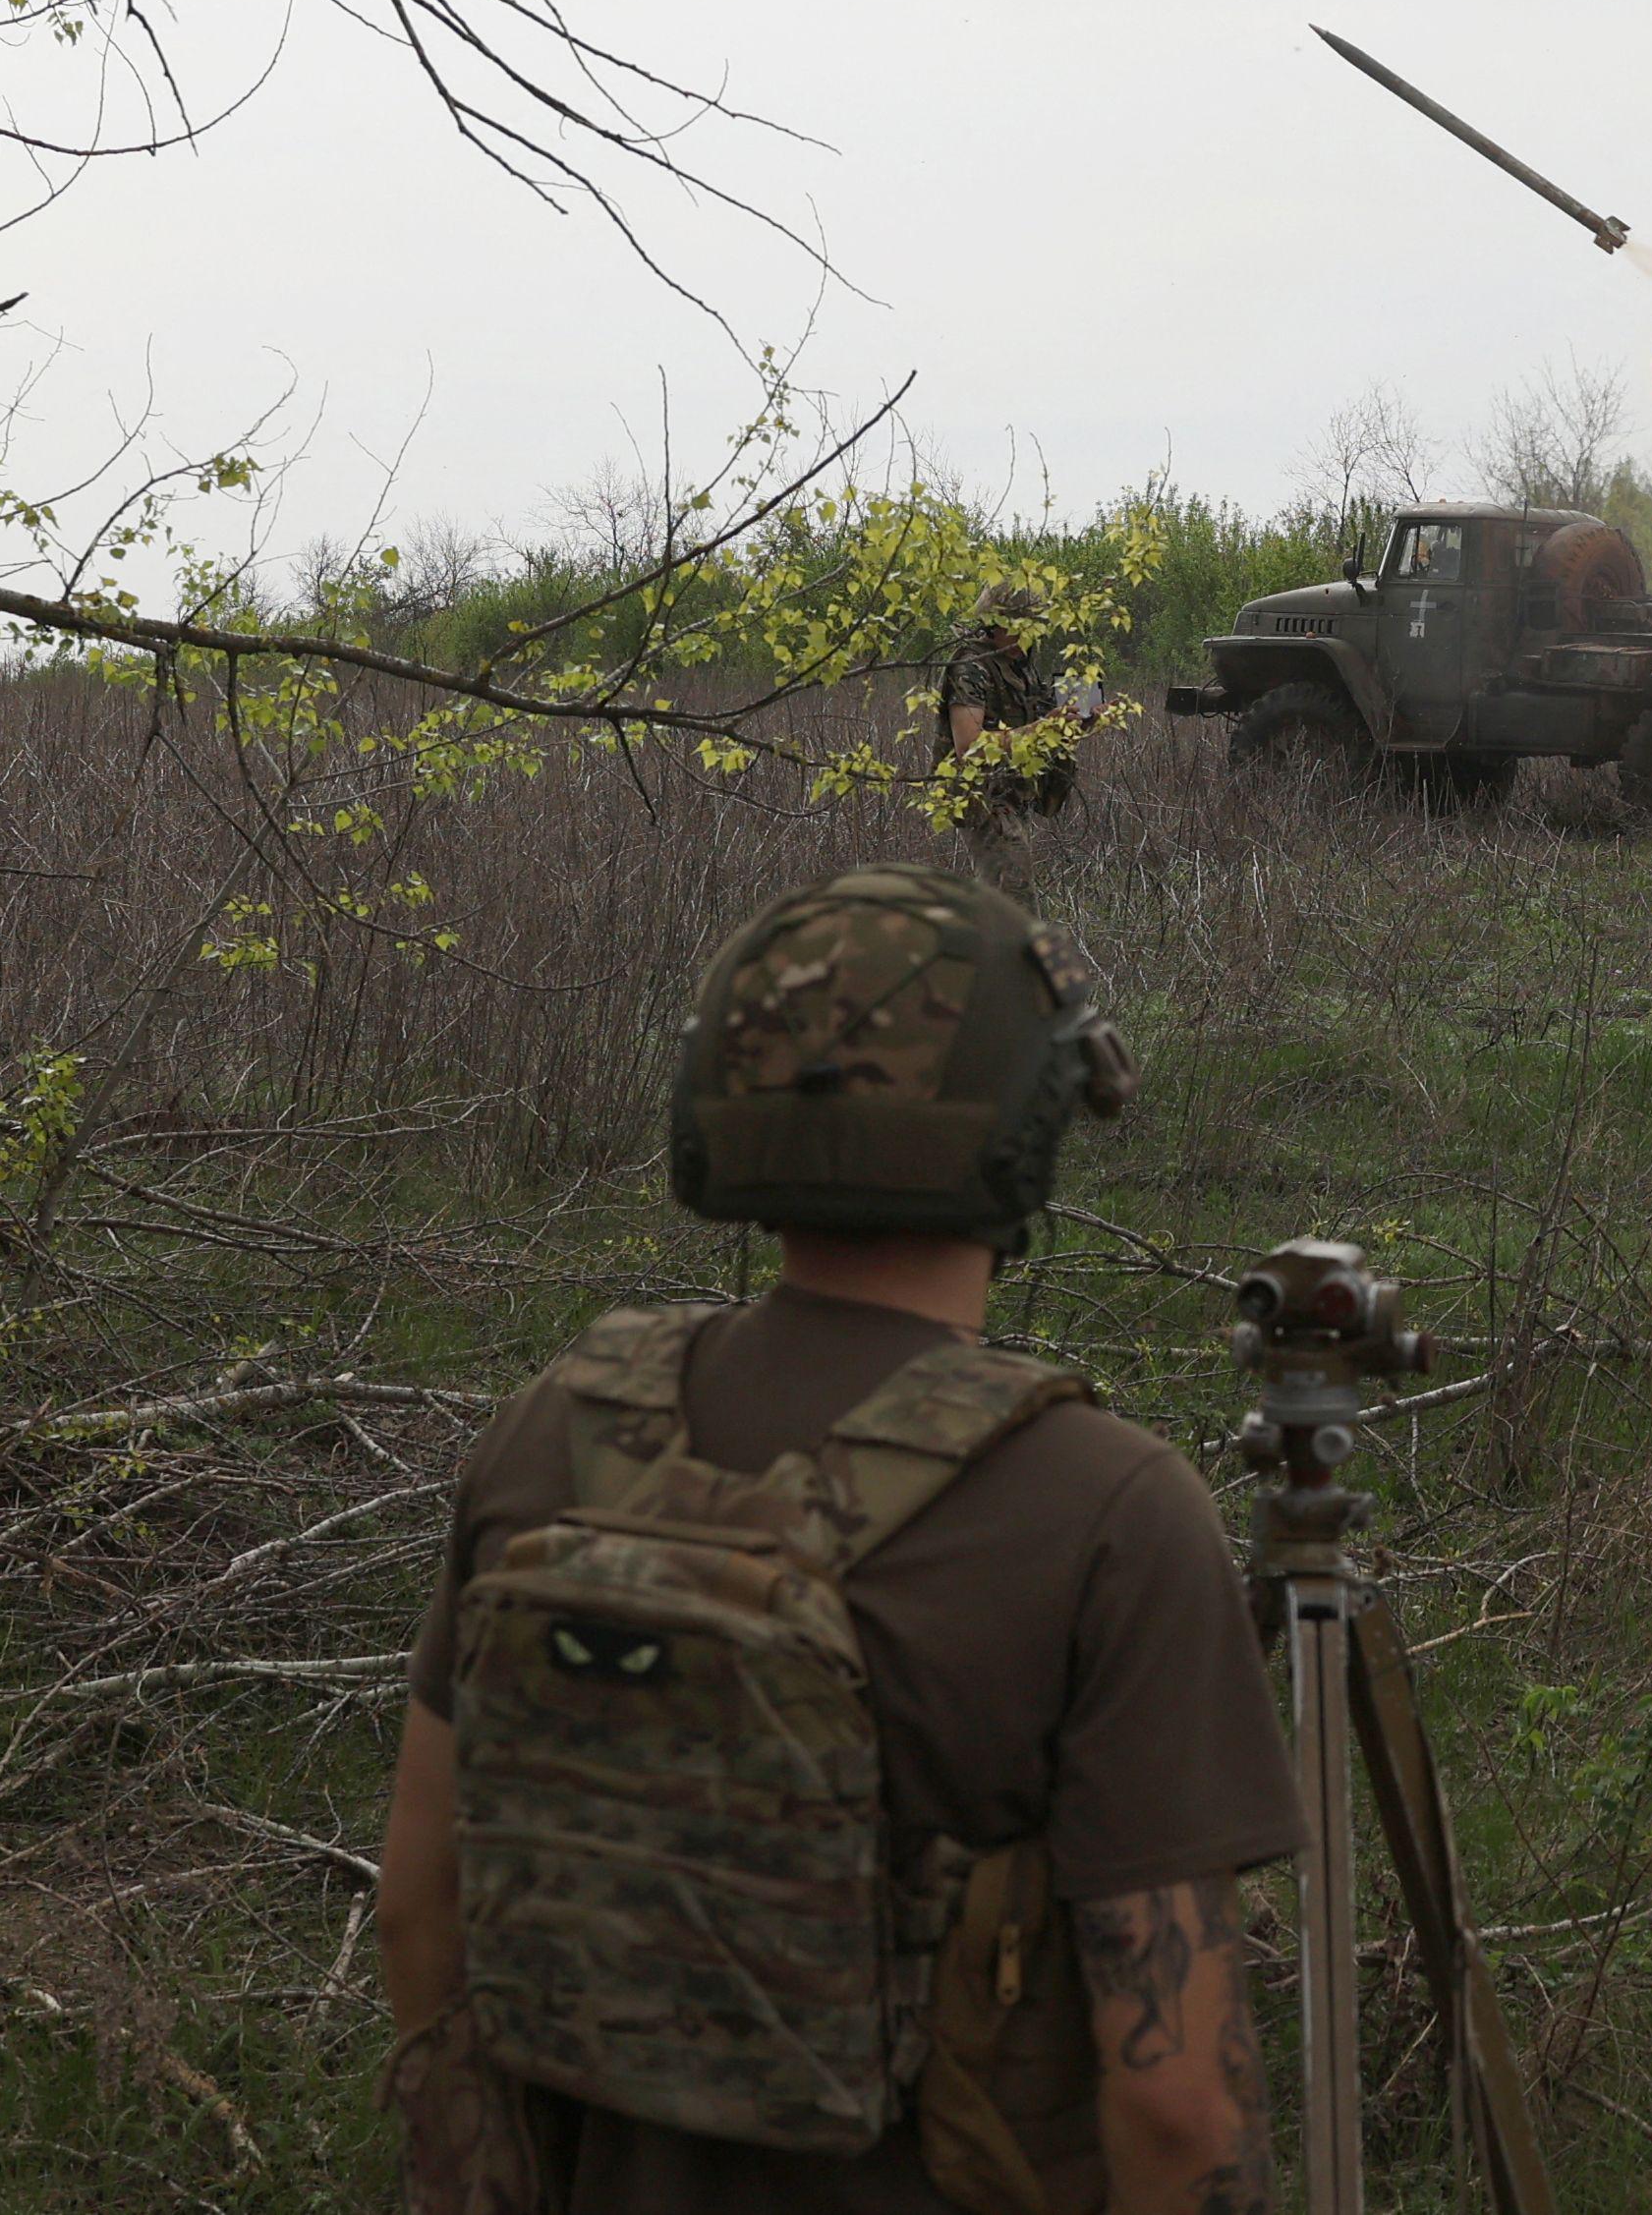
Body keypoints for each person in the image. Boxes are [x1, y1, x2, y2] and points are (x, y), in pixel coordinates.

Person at [376, 865, 1298, 2215]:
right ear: (1029, 1129)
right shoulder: (1110, 1512)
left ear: (717, 1117)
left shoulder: (550, 1433)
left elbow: (419, 1913)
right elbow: (1175, 2110)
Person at [938, 586, 1090, 825]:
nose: (1024, 638)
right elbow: (969, 747)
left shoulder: (1017, 662)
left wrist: (1077, 722)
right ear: (991, 623)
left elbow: (1034, 715)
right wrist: (1042, 729)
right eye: (1015, 628)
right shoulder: (970, 666)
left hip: (1014, 795)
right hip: (984, 802)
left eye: (1030, 629)